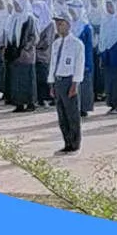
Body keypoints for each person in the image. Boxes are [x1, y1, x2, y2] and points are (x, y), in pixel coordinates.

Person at [48, 13, 85, 155]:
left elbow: (79, 65)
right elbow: (53, 64)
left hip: (69, 81)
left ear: (68, 25)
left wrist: (75, 84)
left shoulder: (76, 44)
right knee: (62, 114)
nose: (58, 27)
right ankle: (67, 142)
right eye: (57, 24)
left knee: (72, 114)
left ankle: (75, 143)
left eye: (61, 24)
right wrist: (51, 83)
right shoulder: (56, 43)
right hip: (58, 81)